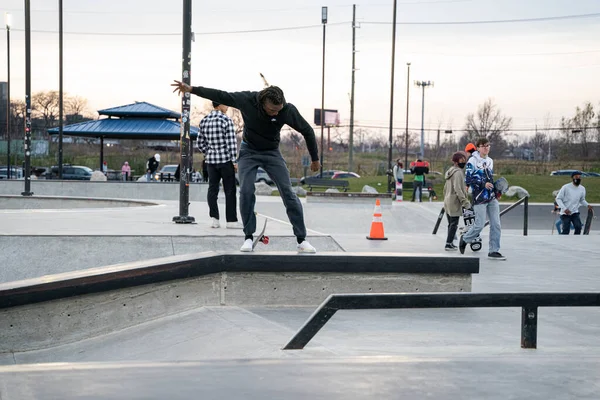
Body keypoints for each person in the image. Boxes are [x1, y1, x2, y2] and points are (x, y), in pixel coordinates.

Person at [172, 80, 321, 253]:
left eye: (278, 110)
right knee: (246, 191)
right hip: (249, 151)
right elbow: (221, 95)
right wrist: (192, 89)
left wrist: (315, 159)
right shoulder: (247, 100)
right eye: (272, 109)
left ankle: (302, 240)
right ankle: (248, 237)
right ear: (262, 103)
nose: (275, 113)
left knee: (288, 192)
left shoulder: (287, 110)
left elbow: (308, 131)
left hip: (272, 152)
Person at [459, 137, 505, 260]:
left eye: (488, 145)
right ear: (478, 148)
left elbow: (490, 178)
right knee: (479, 225)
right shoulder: (472, 161)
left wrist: (496, 191)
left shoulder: (490, 161)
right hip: (479, 197)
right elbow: (468, 179)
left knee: (496, 224)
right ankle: (465, 239)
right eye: (483, 146)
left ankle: (494, 250)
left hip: (491, 197)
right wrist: (482, 183)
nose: (486, 148)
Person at [198, 101, 241, 229]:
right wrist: (234, 161)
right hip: (225, 161)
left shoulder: (204, 120)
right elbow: (231, 143)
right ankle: (231, 221)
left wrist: (210, 152)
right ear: (220, 105)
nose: (227, 106)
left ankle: (215, 220)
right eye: (226, 104)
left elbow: (200, 143)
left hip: (211, 162)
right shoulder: (226, 120)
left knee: (212, 190)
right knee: (230, 190)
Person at [443, 152, 471, 251]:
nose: (463, 163)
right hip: (454, 201)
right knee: (454, 224)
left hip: (447, 200)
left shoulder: (450, 172)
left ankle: (449, 242)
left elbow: (445, 188)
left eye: (464, 161)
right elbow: (458, 189)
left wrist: (445, 199)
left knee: (450, 223)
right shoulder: (458, 172)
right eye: (461, 161)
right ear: (455, 162)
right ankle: (448, 243)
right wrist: (465, 202)